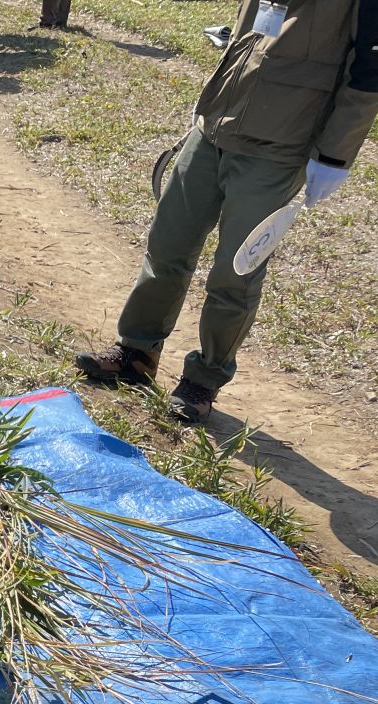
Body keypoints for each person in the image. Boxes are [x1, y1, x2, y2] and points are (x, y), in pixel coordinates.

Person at [76, 0, 377, 421]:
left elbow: (369, 68)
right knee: (167, 246)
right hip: (215, 127)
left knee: (235, 272)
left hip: (279, 148)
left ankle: (205, 378)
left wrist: (336, 155)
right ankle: (137, 352)